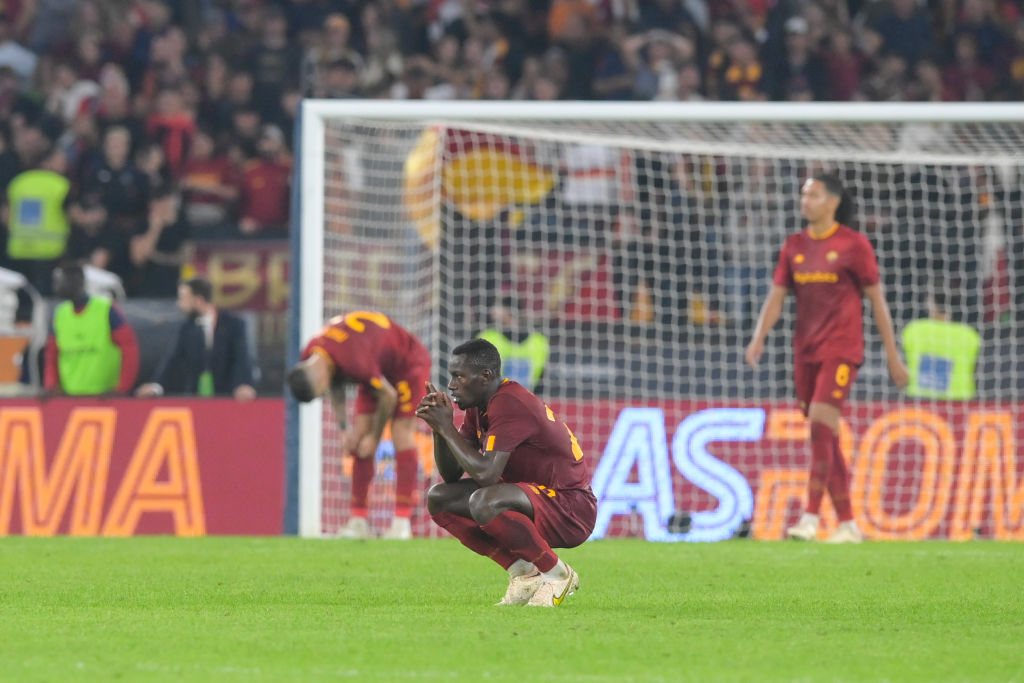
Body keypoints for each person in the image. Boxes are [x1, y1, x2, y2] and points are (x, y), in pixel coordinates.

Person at [745, 173, 908, 544]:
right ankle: (849, 523)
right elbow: (776, 296)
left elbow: (876, 300)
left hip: (842, 349)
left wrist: (892, 356)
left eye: (813, 195)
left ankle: (811, 517)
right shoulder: (794, 246)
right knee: (824, 435)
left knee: (820, 424)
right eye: (804, 194)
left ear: (832, 201)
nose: (806, 201)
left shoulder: (854, 245)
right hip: (805, 351)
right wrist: (759, 338)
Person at [415, 339, 596, 607]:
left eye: (458, 377)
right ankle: (524, 574)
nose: (451, 385)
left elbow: (486, 476)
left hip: (570, 507)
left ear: (485, 377)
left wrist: (447, 428)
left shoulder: (510, 403)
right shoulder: (480, 406)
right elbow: (452, 475)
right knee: (440, 499)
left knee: (484, 500)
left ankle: (558, 574)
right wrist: (441, 430)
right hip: (530, 497)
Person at [286, 311, 430, 540]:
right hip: (376, 367)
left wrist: (374, 437)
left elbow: (388, 396)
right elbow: (335, 384)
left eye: (320, 393)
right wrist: (344, 431)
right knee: (357, 438)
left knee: (400, 435)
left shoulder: (354, 360)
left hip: (406, 363)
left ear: (320, 379)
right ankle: (358, 520)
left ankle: (402, 523)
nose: (324, 395)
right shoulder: (311, 353)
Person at [136, 277, 257, 400]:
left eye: (183, 299)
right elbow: (173, 360)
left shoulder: (233, 324)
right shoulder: (186, 328)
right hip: (196, 398)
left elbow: (242, 358)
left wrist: (244, 384)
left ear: (198, 300)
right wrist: (156, 386)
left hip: (227, 398)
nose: (179, 304)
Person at [45, 262, 138, 396]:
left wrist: (122, 388)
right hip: (69, 395)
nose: (55, 287)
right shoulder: (60, 314)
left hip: (104, 396)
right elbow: (52, 353)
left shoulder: (106, 310)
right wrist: (52, 386)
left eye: (60, 281)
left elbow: (129, 349)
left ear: (77, 280)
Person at [902, 286, 981, 400]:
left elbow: (902, 368)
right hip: (960, 404)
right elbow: (975, 373)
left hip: (919, 402)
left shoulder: (913, 330)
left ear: (931, 303)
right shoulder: (970, 335)